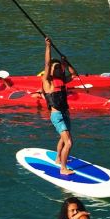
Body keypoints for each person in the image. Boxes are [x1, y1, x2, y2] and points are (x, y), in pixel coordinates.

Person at [42, 37, 76, 175]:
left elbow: (73, 74)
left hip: (65, 113)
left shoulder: (62, 80)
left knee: (64, 139)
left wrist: (65, 63)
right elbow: (46, 63)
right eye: (54, 67)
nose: (56, 69)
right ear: (50, 70)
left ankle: (57, 159)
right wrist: (48, 47)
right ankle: (63, 169)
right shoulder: (48, 81)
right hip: (57, 115)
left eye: (58, 67)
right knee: (69, 143)